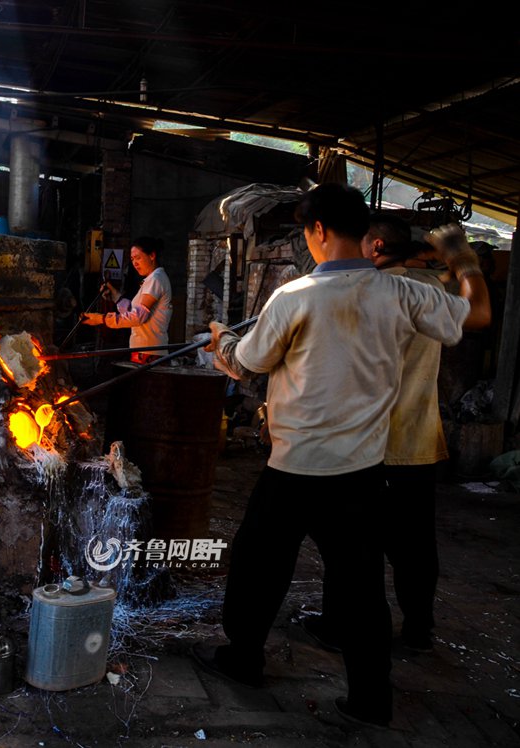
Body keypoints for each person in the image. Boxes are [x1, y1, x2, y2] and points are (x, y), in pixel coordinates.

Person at [195, 184, 490, 729]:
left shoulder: (296, 296)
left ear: (319, 231)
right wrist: (462, 257)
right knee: (360, 591)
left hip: (295, 467)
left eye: (308, 233)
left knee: (259, 567)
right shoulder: (404, 294)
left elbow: (248, 362)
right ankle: (371, 698)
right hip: (361, 472)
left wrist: (220, 344)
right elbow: (472, 313)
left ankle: (243, 658)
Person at [303, 213, 467, 656]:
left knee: (352, 542)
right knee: (416, 544)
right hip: (418, 439)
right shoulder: (430, 291)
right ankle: (419, 629)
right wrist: (461, 262)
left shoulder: (367, 292)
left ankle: (339, 627)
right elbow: (474, 310)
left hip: (369, 442)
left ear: (374, 247)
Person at [80, 237, 173, 363]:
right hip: (144, 352)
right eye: (132, 259)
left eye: (138, 258)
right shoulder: (151, 280)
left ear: (152, 255)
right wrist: (115, 295)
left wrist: (101, 319)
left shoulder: (156, 279)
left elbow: (138, 317)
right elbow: (132, 310)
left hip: (149, 353)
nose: (135, 263)